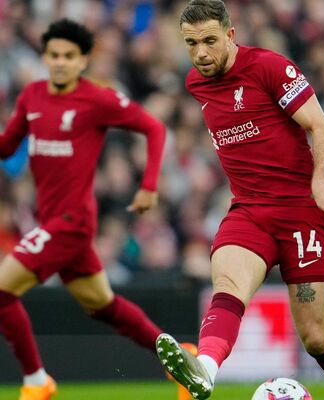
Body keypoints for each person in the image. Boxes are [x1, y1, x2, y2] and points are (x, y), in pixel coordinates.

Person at [155, 2, 324, 399]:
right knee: (228, 285)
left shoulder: (270, 68)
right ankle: (205, 369)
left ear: (231, 36)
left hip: (303, 211)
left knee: (316, 338)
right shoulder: (195, 83)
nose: (201, 52)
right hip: (250, 210)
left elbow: (323, 129)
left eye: (210, 41)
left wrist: (320, 181)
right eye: (192, 43)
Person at [0, 19, 188, 400]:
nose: (61, 63)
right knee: (103, 305)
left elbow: (154, 127)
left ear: (84, 60)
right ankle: (183, 362)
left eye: (70, 56)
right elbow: (6, 148)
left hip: (72, 222)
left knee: (2, 292)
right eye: (54, 55)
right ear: (45, 57)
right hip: (52, 221)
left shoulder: (96, 99)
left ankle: (37, 382)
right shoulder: (32, 96)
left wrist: (149, 186)